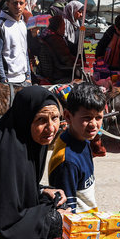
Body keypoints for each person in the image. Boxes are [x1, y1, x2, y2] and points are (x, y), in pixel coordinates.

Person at [0, 86, 68, 239]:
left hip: (6, 214)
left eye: (55, 118)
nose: (51, 128)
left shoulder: (27, 139)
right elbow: (3, 225)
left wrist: (41, 190)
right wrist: (53, 219)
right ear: (26, 118)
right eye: (41, 120)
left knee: (55, 201)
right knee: (59, 218)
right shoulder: (8, 152)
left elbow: (16, 189)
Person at [48, 82, 105, 213]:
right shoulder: (68, 161)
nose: (93, 124)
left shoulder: (82, 139)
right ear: (68, 116)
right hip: (78, 227)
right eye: (87, 118)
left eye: (98, 117)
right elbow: (66, 211)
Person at [0, 0, 31, 84]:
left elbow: (24, 51)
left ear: (25, 5)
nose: (18, 6)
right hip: (8, 81)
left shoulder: (22, 24)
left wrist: (28, 75)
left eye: (21, 3)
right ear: (8, 4)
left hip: (23, 79)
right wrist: (2, 79)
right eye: (15, 3)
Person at [37, 15, 75, 84]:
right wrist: (77, 62)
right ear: (58, 27)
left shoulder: (45, 35)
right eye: (63, 26)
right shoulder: (56, 40)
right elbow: (66, 59)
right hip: (58, 73)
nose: (64, 29)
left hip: (46, 71)